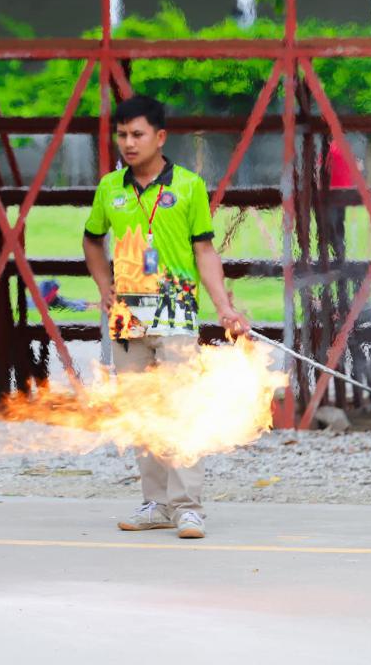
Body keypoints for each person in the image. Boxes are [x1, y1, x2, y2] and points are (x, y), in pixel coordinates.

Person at [83, 94, 249, 540]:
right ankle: (154, 503)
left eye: (137, 134)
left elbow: (204, 250)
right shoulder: (110, 188)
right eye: (122, 135)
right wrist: (104, 285)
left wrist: (224, 307)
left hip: (176, 315)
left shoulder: (189, 187)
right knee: (141, 412)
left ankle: (187, 507)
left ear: (160, 137)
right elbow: (92, 239)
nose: (128, 143)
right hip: (127, 318)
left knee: (180, 410)